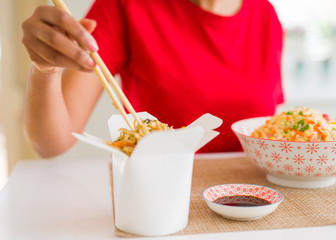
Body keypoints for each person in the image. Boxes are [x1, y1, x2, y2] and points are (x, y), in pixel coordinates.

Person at [21, 0, 284, 158]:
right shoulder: (126, 5)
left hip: (251, 203)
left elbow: (271, 128)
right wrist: (45, 69)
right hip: (158, 198)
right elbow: (51, 143)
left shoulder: (266, 15)